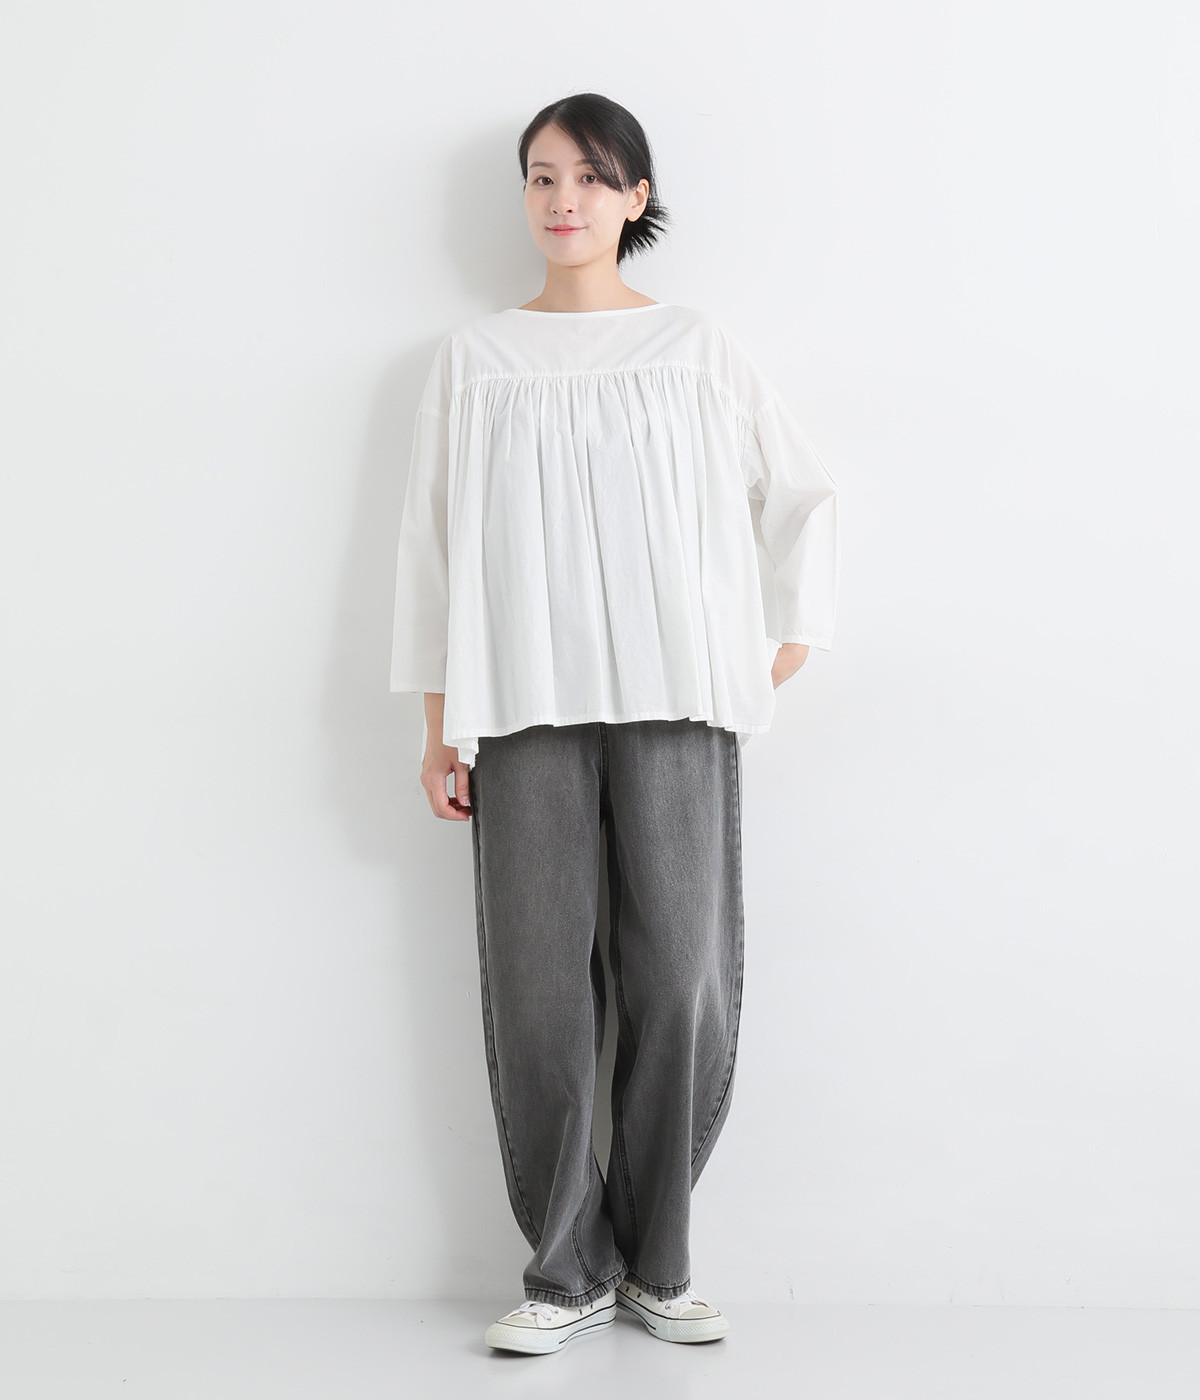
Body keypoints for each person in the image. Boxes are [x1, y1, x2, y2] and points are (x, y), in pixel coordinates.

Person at [389, 93, 839, 1355]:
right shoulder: (475, 362)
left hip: (679, 705)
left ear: (637, 196)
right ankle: (563, 1268)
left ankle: (658, 1257)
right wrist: (439, 726)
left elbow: (803, 495)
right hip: (521, 706)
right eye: (542, 176)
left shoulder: (695, 348)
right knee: (540, 992)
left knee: (681, 981)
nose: (564, 199)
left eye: (591, 177)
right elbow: (430, 551)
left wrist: (775, 652)